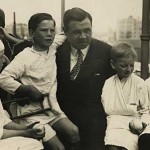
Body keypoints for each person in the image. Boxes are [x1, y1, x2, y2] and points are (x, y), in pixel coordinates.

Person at [0, 13, 80, 150]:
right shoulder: (25, 57)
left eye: (52, 30)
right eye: (44, 30)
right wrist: (26, 89)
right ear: (32, 33)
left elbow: (65, 34)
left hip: (51, 109)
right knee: (58, 148)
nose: (49, 34)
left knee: (74, 133)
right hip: (30, 113)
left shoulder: (53, 47)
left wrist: (77, 31)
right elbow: (3, 78)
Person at [56, 7, 115, 150]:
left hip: (95, 126)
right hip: (61, 123)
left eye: (87, 30)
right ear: (65, 31)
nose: (83, 36)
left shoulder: (107, 52)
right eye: (76, 32)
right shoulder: (56, 51)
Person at [101, 42, 150, 150]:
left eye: (131, 65)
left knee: (127, 147)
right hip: (114, 122)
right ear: (113, 64)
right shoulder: (108, 83)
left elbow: (146, 110)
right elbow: (108, 109)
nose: (128, 69)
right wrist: (131, 109)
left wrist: (142, 124)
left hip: (133, 123)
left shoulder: (139, 83)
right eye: (123, 66)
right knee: (112, 146)